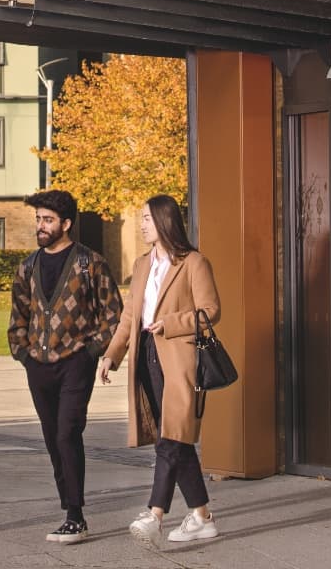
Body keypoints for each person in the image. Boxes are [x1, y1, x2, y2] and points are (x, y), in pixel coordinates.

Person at [101, 195, 225, 548]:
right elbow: (130, 317)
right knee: (173, 438)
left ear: (164, 221)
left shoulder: (194, 263)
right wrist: (112, 354)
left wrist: (169, 324)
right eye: (140, 219)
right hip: (146, 358)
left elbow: (210, 311)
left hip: (180, 360)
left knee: (171, 437)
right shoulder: (141, 265)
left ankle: (154, 514)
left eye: (146, 219)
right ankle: (202, 517)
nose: (140, 225)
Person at [8, 189, 123, 544]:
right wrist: (23, 354)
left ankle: (76, 516)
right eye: (38, 220)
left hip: (76, 362)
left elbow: (113, 314)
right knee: (51, 438)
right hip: (38, 365)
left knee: (66, 433)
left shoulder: (91, 263)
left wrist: (91, 353)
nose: (40, 226)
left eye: (48, 220)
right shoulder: (27, 266)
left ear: (66, 224)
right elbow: (18, 317)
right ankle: (68, 505)